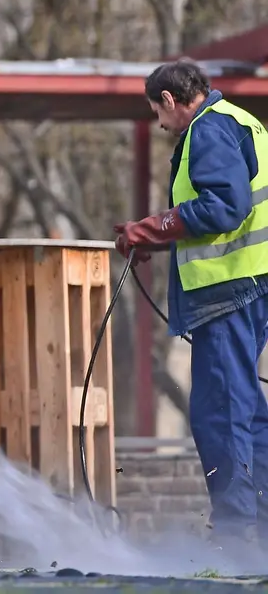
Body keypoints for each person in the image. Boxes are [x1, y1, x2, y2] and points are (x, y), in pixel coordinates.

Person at [113, 60, 268, 554]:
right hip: (249, 284)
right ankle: (256, 526)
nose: (160, 125)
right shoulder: (242, 121)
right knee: (246, 410)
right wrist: (156, 237)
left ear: (170, 101)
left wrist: (152, 226)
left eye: (158, 112)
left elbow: (225, 205)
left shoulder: (208, 130)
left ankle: (235, 535)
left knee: (218, 411)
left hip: (228, 291)